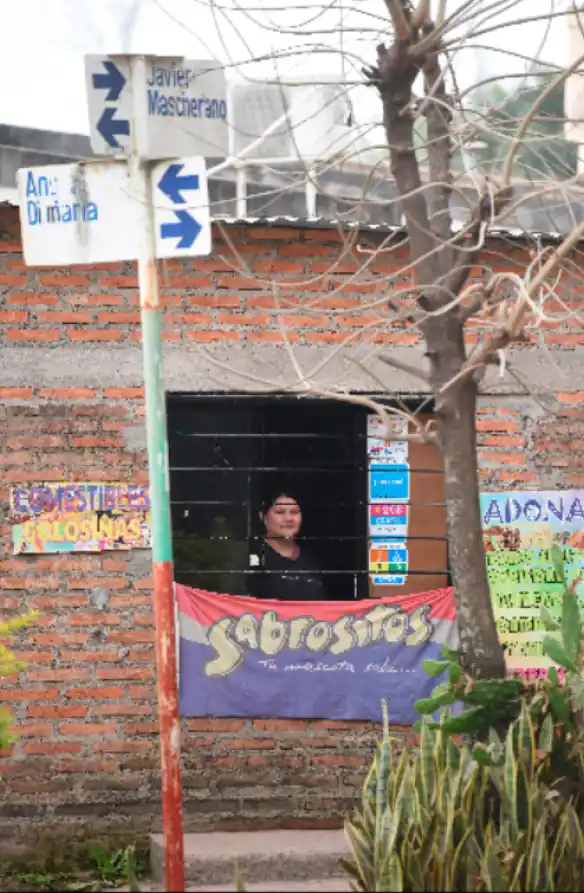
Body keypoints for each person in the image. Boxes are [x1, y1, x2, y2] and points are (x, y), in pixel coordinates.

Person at [249, 488, 326, 601]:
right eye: (280, 512)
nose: (289, 518)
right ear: (263, 516)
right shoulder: (251, 554)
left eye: (294, 512)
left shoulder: (310, 560)